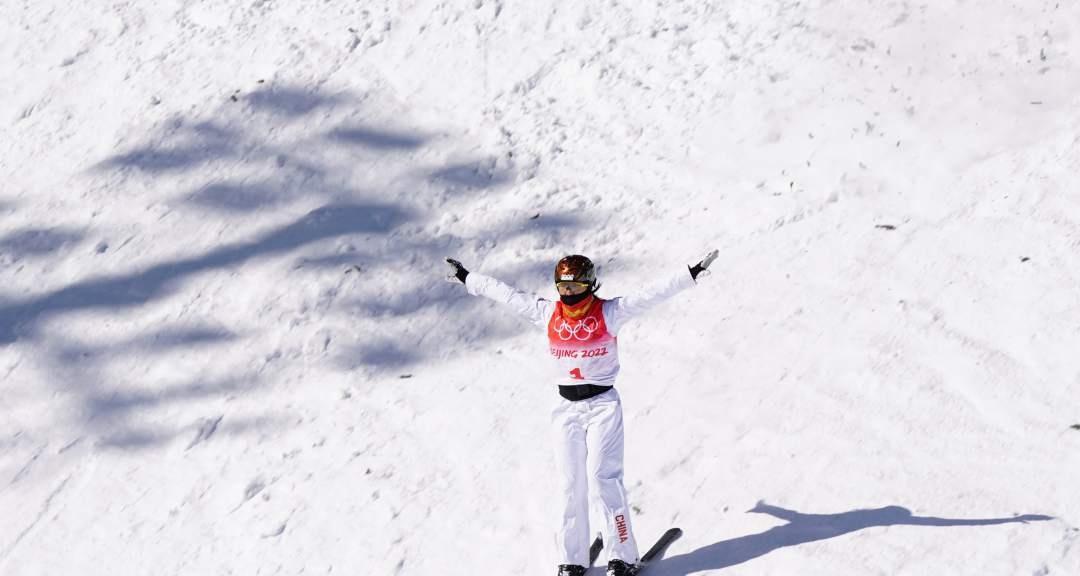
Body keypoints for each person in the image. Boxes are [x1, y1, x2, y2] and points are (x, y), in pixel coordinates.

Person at [444, 250, 718, 576]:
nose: (568, 293)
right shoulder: (547, 313)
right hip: (566, 409)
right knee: (569, 483)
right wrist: (467, 278)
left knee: (603, 477)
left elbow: (650, 295)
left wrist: (691, 274)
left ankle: (623, 556)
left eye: (574, 287)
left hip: (603, 405)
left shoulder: (610, 313)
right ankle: (571, 560)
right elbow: (507, 295)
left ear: (589, 284)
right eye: (562, 287)